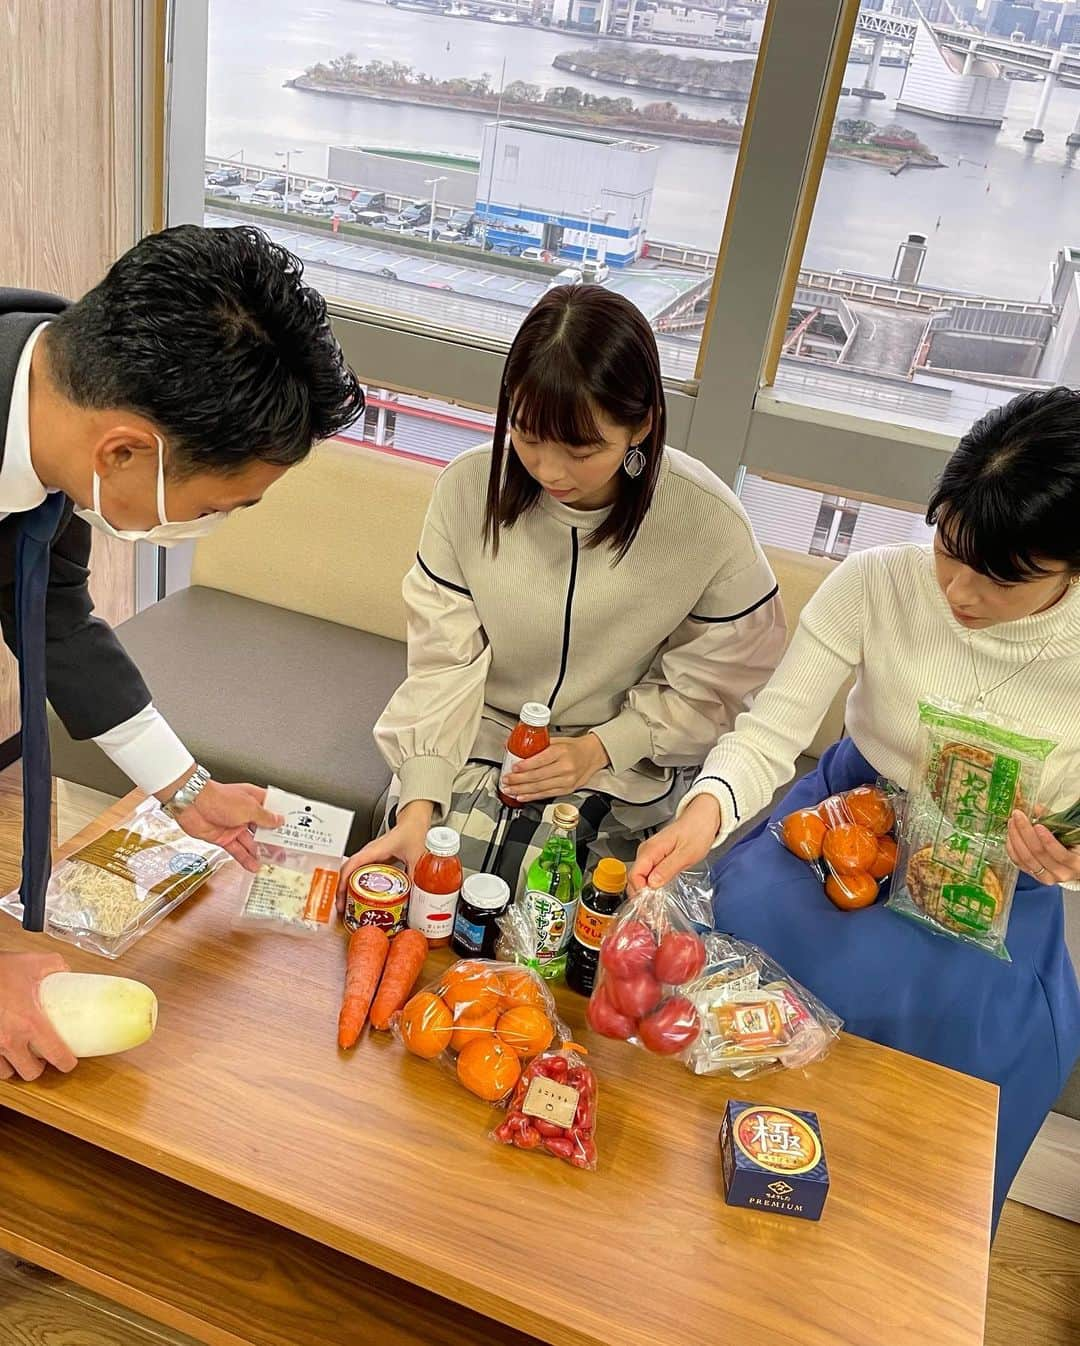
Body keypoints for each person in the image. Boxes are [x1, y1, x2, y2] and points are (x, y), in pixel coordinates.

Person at [632, 387, 1080, 1230]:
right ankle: (702, 1186)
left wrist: (1072, 852)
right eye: (949, 545)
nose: (957, 587)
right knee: (745, 921)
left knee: (977, 1027)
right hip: (843, 828)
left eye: (1000, 575)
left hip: (992, 883)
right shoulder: (879, 582)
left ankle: (883, 1243)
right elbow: (770, 733)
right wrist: (704, 814)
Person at [0, 224, 363, 1081]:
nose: (218, 524)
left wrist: (184, 789)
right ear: (125, 450)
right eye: (227, 504)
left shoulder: (52, 393)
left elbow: (52, 614)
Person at [343, 285, 785, 895]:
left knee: (563, 906)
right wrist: (419, 802)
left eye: (581, 450)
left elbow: (726, 681)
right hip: (477, 738)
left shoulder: (705, 521)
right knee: (420, 884)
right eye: (526, 435)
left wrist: (602, 748)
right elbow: (444, 662)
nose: (549, 471)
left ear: (642, 424)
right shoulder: (470, 489)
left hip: (623, 761)